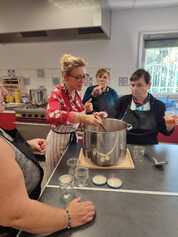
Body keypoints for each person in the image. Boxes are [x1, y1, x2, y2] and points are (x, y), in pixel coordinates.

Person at [0, 85, 95, 236]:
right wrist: (68, 217)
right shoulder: (57, 94)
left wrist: (25, 147)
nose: (5, 92)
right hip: (13, 230)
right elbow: (18, 215)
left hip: (31, 200)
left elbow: (7, 149)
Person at [45, 54, 103, 179]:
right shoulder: (58, 93)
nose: (82, 81)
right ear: (66, 77)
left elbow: (79, 117)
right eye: (78, 77)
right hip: (58, 142)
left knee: (69, 174)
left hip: (72, 140)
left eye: (84, 77)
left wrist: (89, 113)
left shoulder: (76, 94)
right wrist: (81, 117)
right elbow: (52, 115)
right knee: (55, 178)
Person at [116, 69, 175, 145]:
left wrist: (169, 125)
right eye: (132, 85)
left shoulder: (159, 106)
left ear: (148, 85)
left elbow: (165, 132)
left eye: (139, 85)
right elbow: (113, 120)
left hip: (149, 146)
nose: (135, 89)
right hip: (125, 145)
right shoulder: (123, 101)